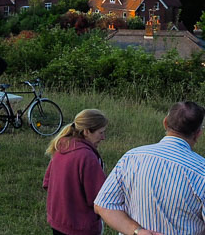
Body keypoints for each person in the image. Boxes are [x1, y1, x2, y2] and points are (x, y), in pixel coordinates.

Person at [95, 101, 205, 235]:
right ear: (198, 133)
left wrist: (137, 231)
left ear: (165, 122)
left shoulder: (131, 157)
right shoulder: (201, 171)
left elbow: (103, 205)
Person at [44, 109, 108, 235]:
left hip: (58, 223)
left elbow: (47, 183)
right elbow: (99, 198)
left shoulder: (61, 147)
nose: (103, 137)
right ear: (86, 131)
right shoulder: (87, 157)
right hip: (80, 228)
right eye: (100, 133)